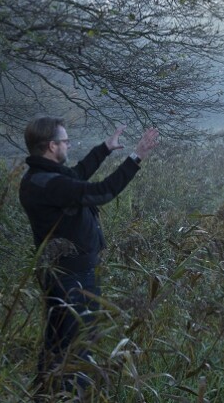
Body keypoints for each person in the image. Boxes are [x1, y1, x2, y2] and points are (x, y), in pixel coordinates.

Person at [19, 116, 158, 398]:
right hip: (72, 278)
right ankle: (68, 396)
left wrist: (105, 148)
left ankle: (45, 395)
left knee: (58, 344)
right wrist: (136, 156)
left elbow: (78, 175)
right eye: (65, 141)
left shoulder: (42, 177)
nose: (69, 145)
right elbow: (101, 192)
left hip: (65, 274)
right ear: (51, 145)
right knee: (78, 347)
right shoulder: (49, 183)